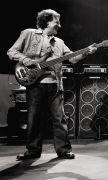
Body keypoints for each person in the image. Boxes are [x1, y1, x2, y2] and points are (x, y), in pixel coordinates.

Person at [7, 9, 97, 160]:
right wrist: (27, 60)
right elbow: (12, 52)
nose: (59, 25)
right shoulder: (29, 33)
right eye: (57, 22)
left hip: (55, 84)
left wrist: (88, 51)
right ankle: (33, 151)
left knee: (59, 118)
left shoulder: (59, 42)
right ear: (46, 21)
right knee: (33, 118)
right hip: (35, 83)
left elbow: (73, 58)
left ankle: (63, 150)